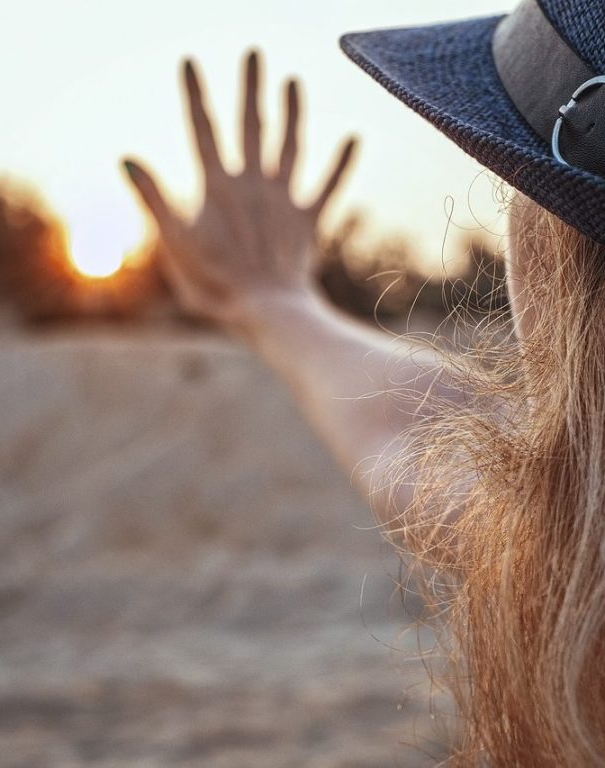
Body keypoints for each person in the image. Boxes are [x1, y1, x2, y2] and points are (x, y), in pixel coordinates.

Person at [122, 1, 605, 764]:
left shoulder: (580, 586)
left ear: (559, 254)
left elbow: (419, 447)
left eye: (518, 181)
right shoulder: (575, 542)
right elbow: (421, 438)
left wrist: (267, 298)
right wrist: (274, 300)